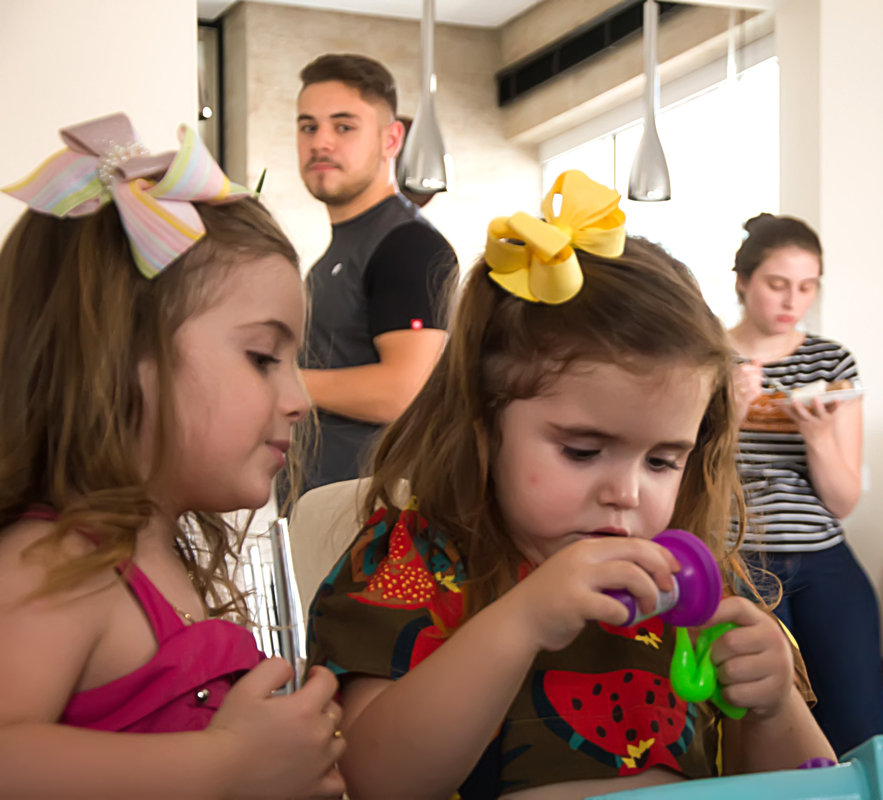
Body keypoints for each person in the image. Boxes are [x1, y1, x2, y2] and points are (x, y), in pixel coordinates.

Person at [306, 171, 835, 800]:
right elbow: (372, 781)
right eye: (583, 451)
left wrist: (775, 706)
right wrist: (522, 621)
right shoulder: (413, 559)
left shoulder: (695, 593)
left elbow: (814, 789)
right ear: (483, 422)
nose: (627, 492)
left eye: (663, 462)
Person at [0, 113, 345, 798]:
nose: (300, 398)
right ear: (123, 356)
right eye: (262, 357)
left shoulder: (161, 566)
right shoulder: (60, 562)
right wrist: (230, 768)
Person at [726, 213, 883, 755]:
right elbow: (676, 479)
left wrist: (818, 436)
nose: (792, 300)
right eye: (776, 284)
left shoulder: (832, 362)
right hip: (736, 559)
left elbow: (842, 501)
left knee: (858, 728)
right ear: (744, 280)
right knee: (762, 731)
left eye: (807, 286)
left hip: (823, 559)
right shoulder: (703, 356)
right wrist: (727, 413)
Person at [295, 53, 457, 497]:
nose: (321, 142)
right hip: (320, 515)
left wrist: (282, 380)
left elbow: (402, 390)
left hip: (374, 525)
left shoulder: (408, 246)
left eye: (344, 126)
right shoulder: (339, 250)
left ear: (391, 140)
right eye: (308, 126)